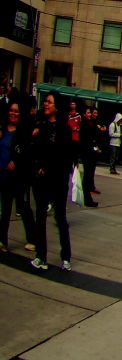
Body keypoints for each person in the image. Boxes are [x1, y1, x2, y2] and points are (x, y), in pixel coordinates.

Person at [26, 92, 73, 271]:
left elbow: (64, 155)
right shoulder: (41, 125)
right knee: (40, 217)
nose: (45, 104)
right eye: (45, 101)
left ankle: (66, 257)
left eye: (49, 102)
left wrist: (48, 166)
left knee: (60, 218)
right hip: (40, 178)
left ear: (57, 106)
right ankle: (41, 256)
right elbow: (34, 150)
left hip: (57, 179)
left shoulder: (64, 129)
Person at [1, 98, 34, 253]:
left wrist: (16, 161)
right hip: (3, 174)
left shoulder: (22, 131)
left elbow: (26, 151)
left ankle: (32, 239)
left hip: (17, 176)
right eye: (11, 110)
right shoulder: (3, 129)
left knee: (23, 207)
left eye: (16, 111)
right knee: (5, 209)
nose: (13, 113)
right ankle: (3, 241)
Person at [107, 108, 122, 174]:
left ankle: (114, 168)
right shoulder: (112, 124)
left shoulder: (119, 125)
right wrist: (118, 135)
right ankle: (111, 168)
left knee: (116, 157)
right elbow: (110, 134)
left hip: (118, 143)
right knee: (113, 157)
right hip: (113, 143)